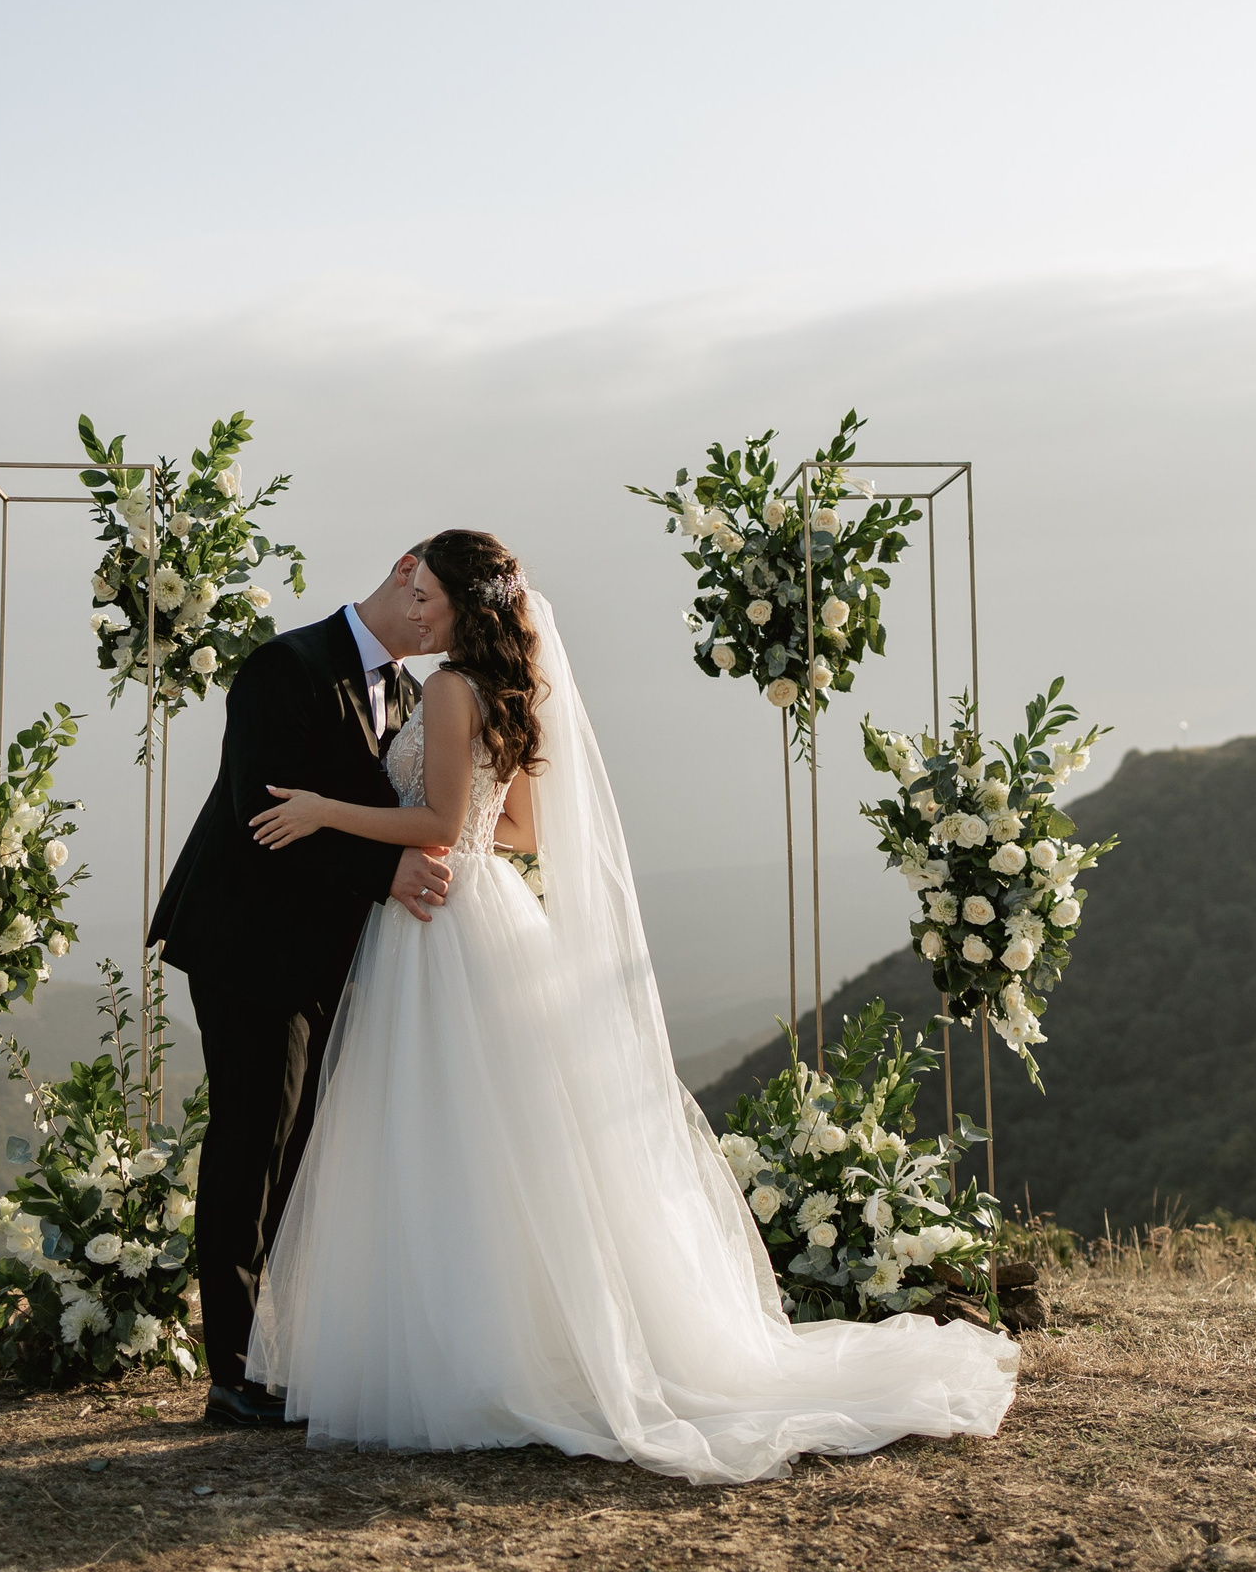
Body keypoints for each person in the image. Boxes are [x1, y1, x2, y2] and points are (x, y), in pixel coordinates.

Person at [239, 529, 1018, 1483]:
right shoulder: (495, 695)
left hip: (439, 925)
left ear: (458, 600)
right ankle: (509, 1342)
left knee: (438, 1135)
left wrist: (327, 809)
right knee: (502, 1142)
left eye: (435, 597)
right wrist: (459, 832)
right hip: (491, 911)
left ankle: (462, 1353)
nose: (422, 612)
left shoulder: (444, 689)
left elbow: (442, 824)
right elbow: (513, 825)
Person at [149, 544, 455, 1428]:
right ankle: (232, 1370)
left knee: (304, 1151)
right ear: (405, 572)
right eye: (436, 604)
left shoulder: (404, 693)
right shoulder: (285, 665)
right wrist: (383, 874)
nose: (439, 629)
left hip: (327, 957)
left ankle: (293, 1355)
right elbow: (259, 814)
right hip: (246, 942)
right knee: (252, 1138)